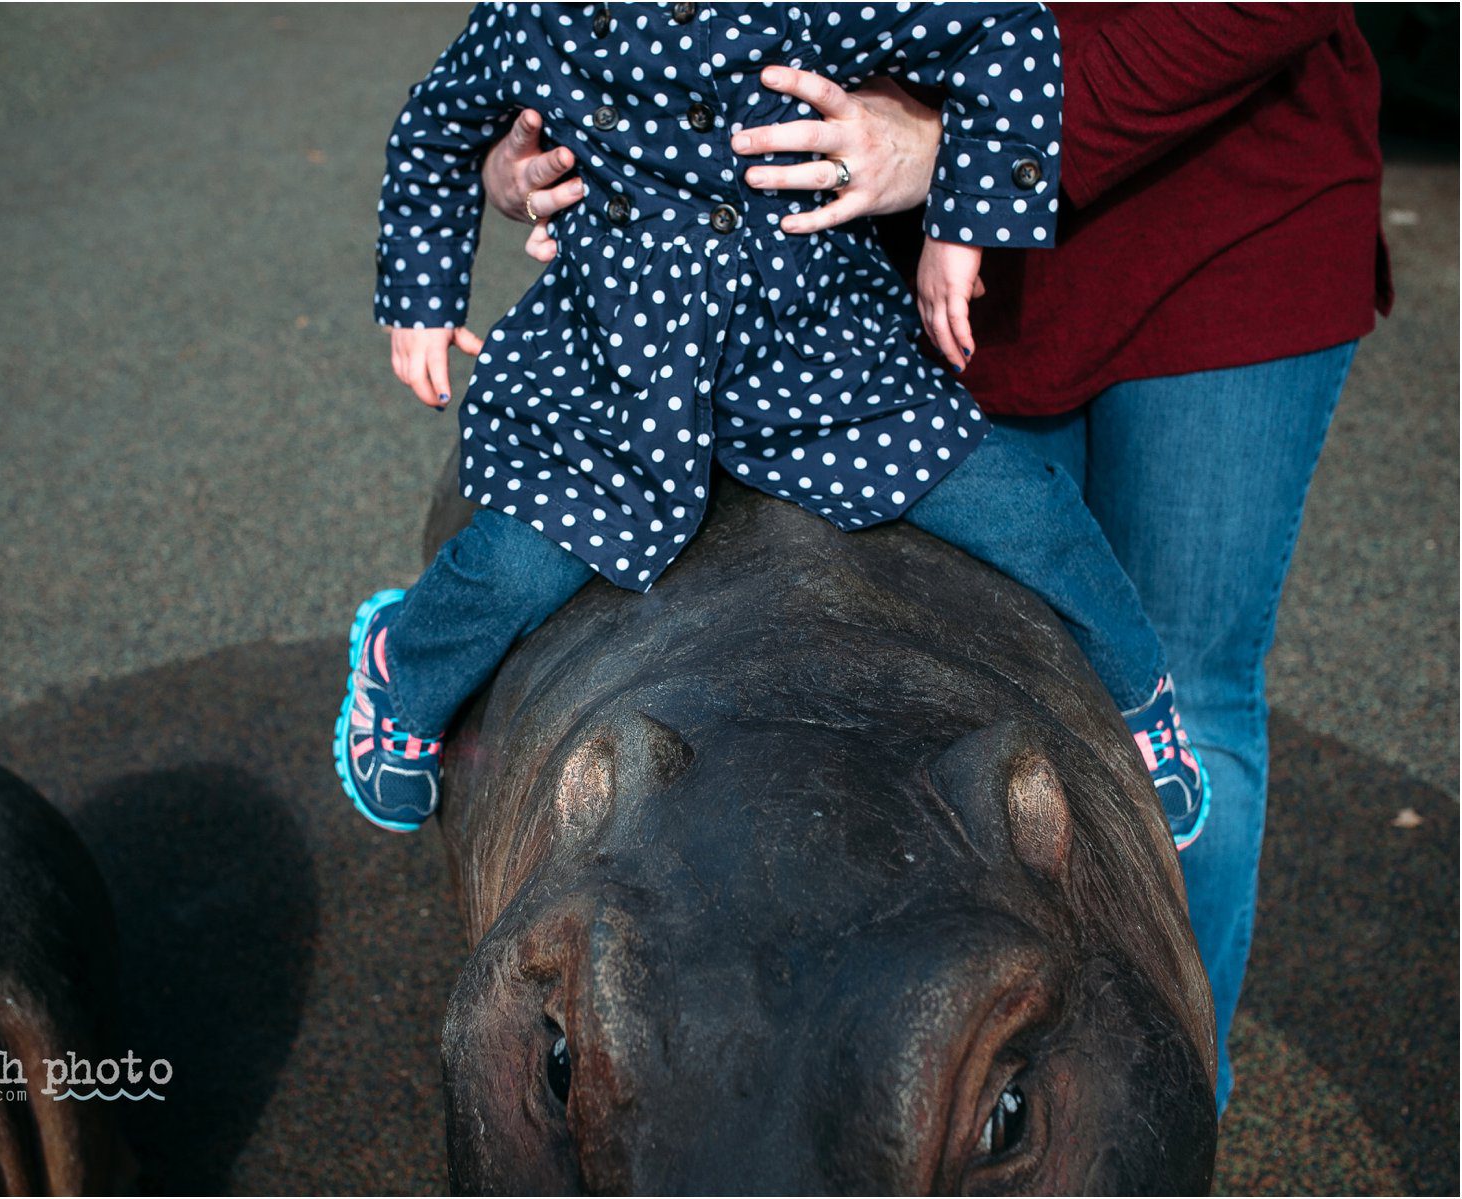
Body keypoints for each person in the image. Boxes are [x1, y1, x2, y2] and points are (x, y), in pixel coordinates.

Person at [484, 2, 1388, 1116]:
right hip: (928, 253)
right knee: (953, 707)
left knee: (1185, 697)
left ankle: (1157, 1121)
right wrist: (549, 130)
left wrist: (968, 148)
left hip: (1220, 220)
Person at [338, 2, 1207, 844]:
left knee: (1025, 510)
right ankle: (401, 671)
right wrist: (420, 300)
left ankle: (1139, 700)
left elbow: (1001, 27)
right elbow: (436, 126)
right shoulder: (536, 16)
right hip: (619, 378)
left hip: (817, 360)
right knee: (513, 564)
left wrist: (960, 228)